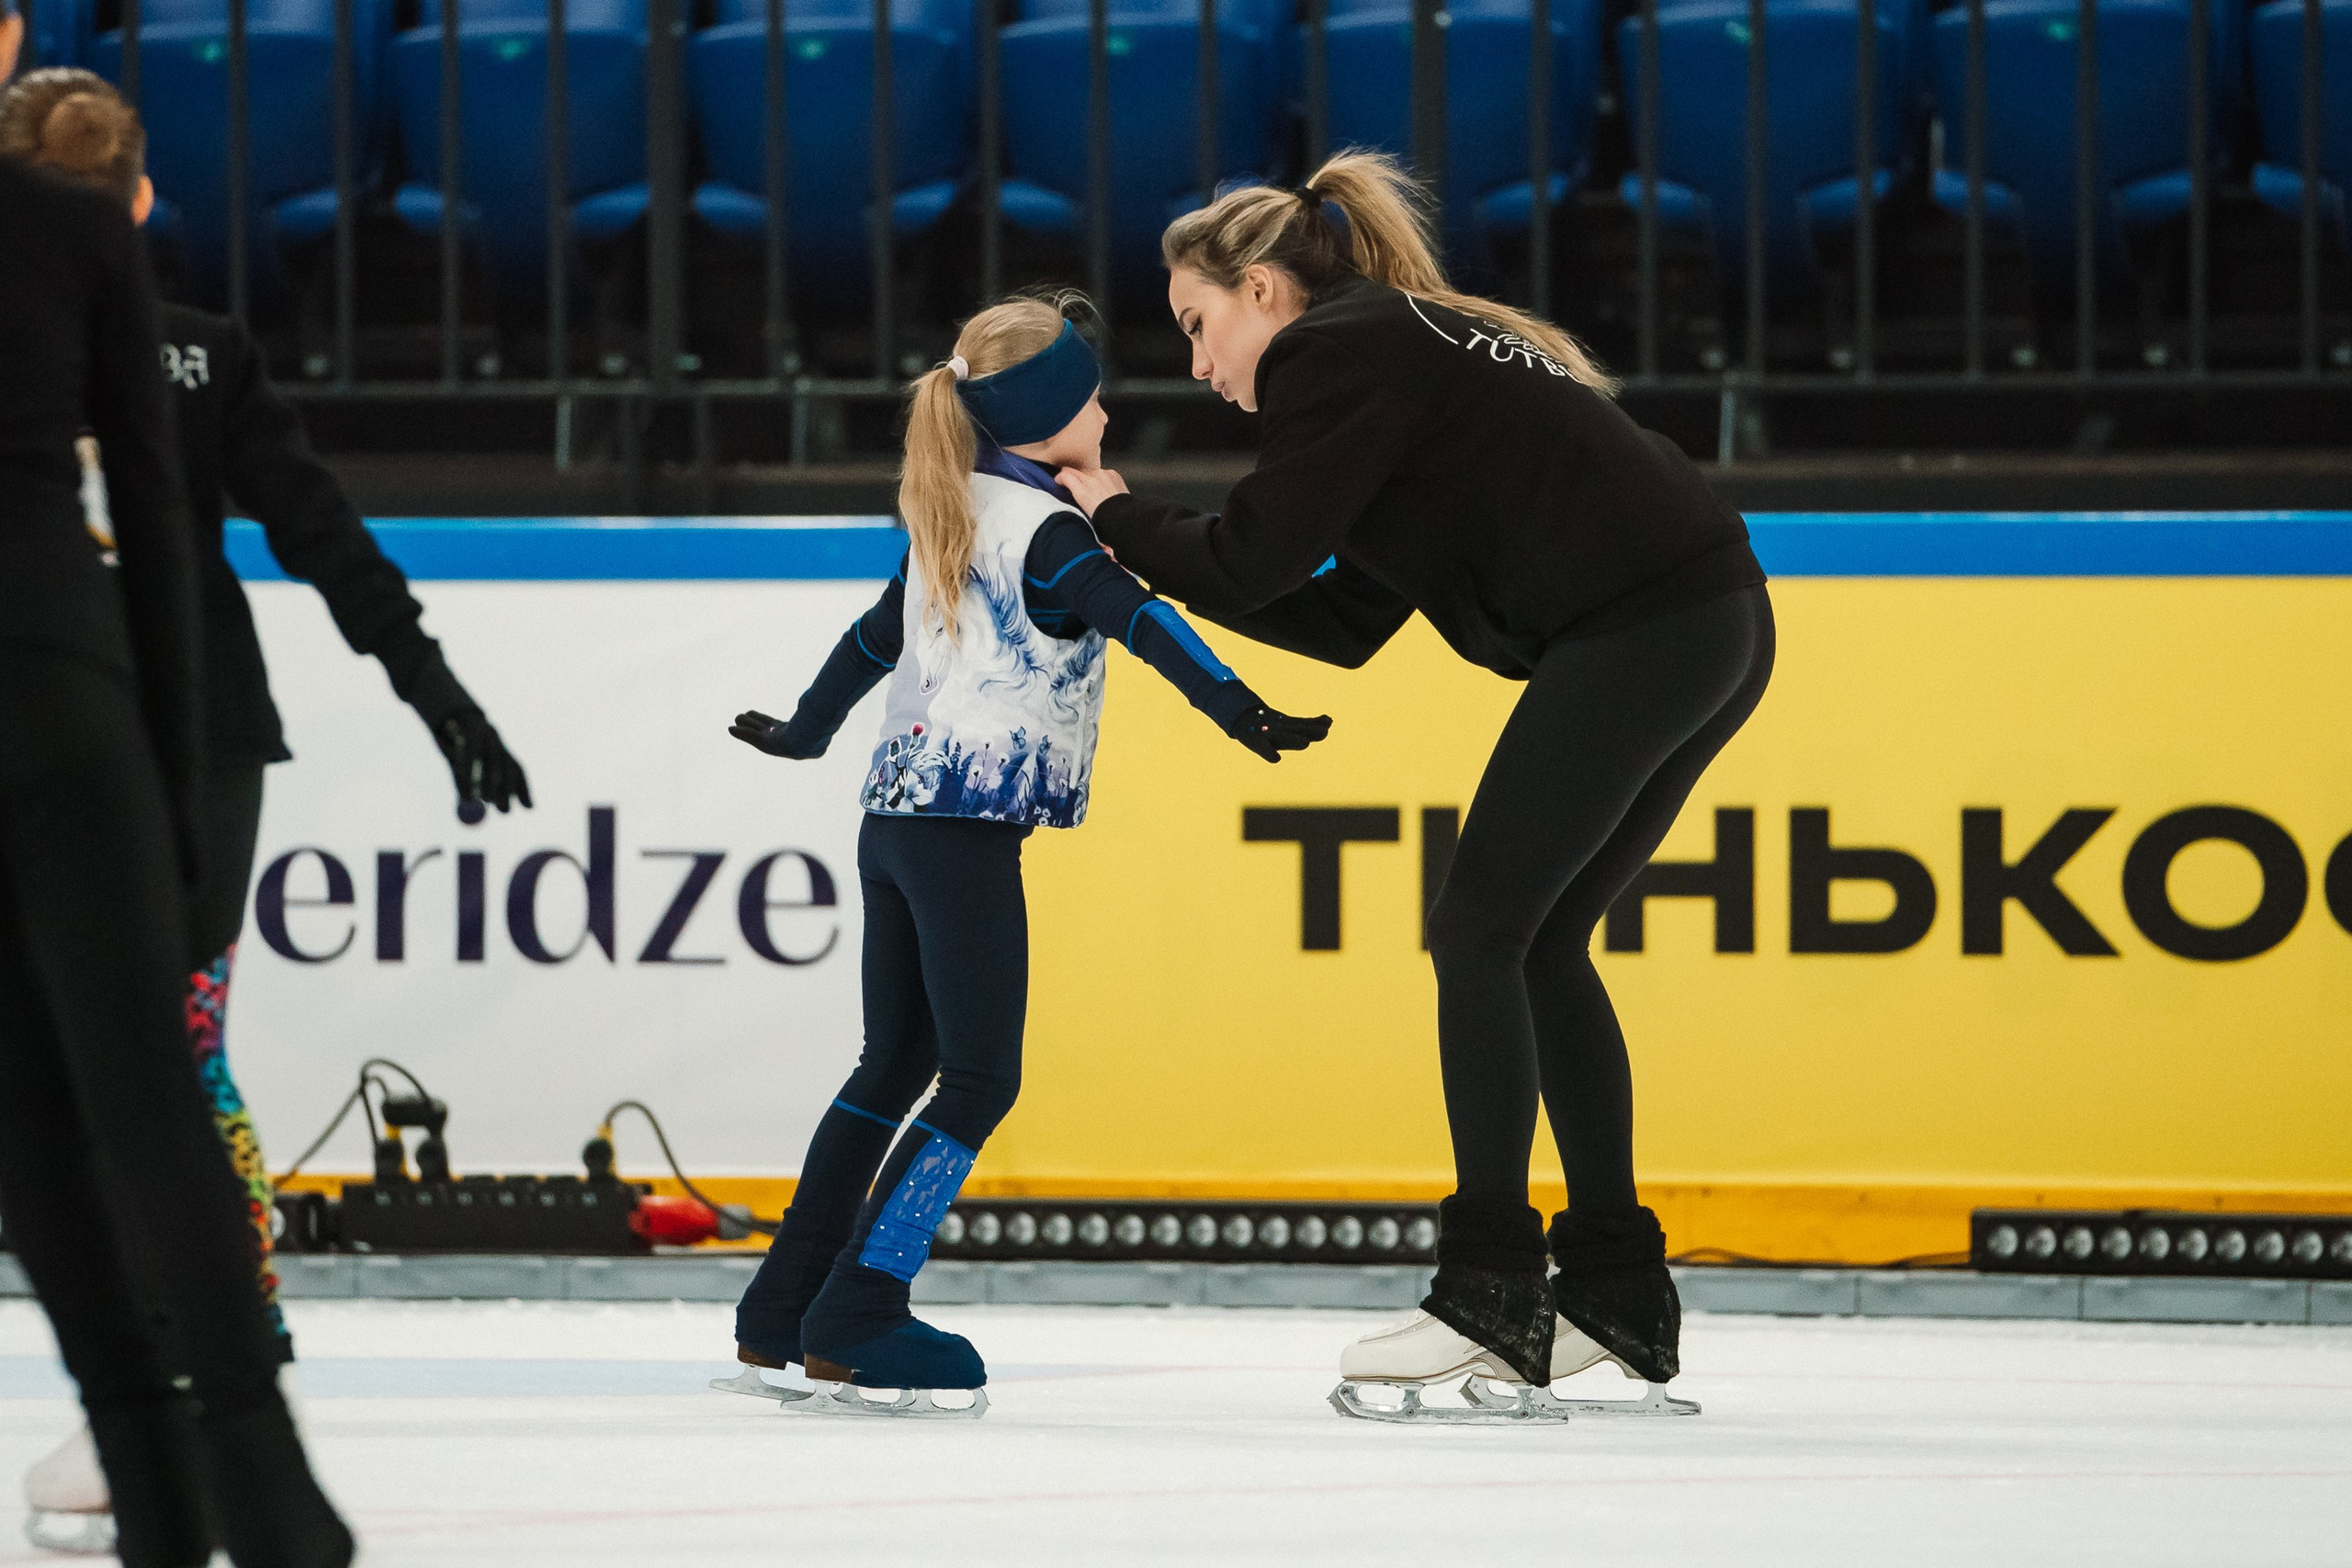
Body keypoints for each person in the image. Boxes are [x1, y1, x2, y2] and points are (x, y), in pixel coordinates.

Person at [1057, 152, 1774, 1422]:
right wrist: (1160, 549)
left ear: (1265, 289)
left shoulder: (1334, 353)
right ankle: (1615, 1288)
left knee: (1479, 929)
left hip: (1650, 623)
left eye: (1199, 325)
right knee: (1539, 943)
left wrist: (1112, 516)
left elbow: (1252, 555)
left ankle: (1490, 1286)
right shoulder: (1394, 358)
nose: (1199, 363)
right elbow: (1336, 616)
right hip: (1709, 619)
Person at [0, 67, 531, 1551]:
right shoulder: (190, 350)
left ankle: (171, 1378)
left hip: (119, 713)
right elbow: (322, 538)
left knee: (110, 1075)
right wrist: (440, 694)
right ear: (143, 200)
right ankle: (210, 1386)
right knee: (168, 1053)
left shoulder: (146, 346)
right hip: (185, 729)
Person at [713, 294, 1329, 1417]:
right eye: (1090, 391)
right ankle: (861, 1304)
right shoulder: (1044, 533)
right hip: (960, 829)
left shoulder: (957, 506)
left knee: (889, 1065)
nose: (1107, 403)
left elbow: (872, 639)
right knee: (982, 1076)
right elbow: (1138, 617)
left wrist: (806, 732)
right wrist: (1238, 706)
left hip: (892, 819)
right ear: (1050, 418)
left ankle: (781, 1306)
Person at [0, 11, 356, 1566]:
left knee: (92, 1096)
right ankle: (219, 1445)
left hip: (91, 698)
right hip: (79, 693)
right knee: (127, 1083)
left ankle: (188, 1430)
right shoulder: (81, 258)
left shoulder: (102, 273)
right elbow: (154, 519)